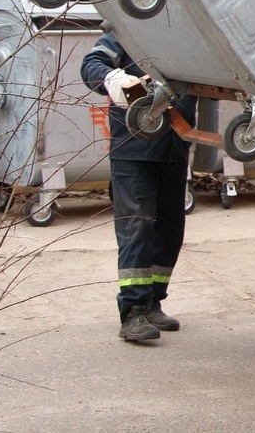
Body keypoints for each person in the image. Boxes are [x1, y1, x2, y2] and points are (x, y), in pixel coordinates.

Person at [81, 30, 196, 342]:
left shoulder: (188, 37)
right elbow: (91, 64)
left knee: (170, 232)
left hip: (174, 148)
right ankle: (132, 312)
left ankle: (153, 300)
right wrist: (114, 80)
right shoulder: (127, 31)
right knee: (137, 230)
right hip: (133, 151)